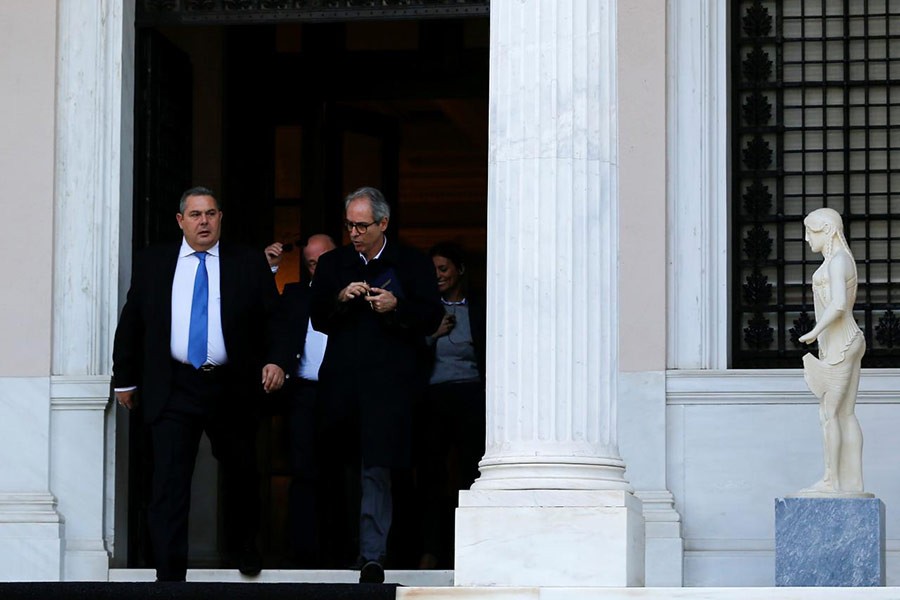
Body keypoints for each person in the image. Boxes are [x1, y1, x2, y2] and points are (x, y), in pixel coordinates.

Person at [112, 186, 290, 581]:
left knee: (242, 473)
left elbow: (274, 318)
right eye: (195, 215)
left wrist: (277, 360)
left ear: (221, 217)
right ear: (181, 221)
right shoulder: (155, 262)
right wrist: (124, 378)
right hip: (174, 384)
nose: (204, 221)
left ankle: (246, 547)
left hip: (231, 385)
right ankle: (170, 574)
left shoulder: (246, 261)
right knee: (169, 483)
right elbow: (133, 321)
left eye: (210, 213)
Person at [309, 186, 443, 583]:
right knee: (337, 468)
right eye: (349, 224)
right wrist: (340, 296)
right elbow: (317, 318)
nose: (354, 232)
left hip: (390, 388)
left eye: (362, 225)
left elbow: (431, 317)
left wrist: (395, 305)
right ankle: (329, 552)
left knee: (379, 468)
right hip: (341, 386)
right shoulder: (333, 264)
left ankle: (373, 555)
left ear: (383, 223)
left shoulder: (412, 262)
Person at [273, 233, 344, 567]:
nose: (318, 267)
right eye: (311, 262)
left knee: (342, 471)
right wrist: (270, 269)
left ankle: (341, 553)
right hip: (303, 394)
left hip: (343, 394)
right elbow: (263, 316)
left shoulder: (355, 293)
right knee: (303, 473)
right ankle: (301, 555)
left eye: (323, 259)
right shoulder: (296, 294)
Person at [417, 242, 486, 569]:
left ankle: (472, 549)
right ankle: (430, 549)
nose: (438, 276)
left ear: (459, 270)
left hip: (472, 396)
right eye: (433, 271)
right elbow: (409, 350)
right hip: (434, 398)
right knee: (432, 475)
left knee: (471, 472)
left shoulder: (480, 308)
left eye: (443, 269)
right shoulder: (426, 308)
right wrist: (432, 333)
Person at [797, 207, 868, 496]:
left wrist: (814, 331)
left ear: (826, 229)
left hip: (840, 344)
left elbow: (839, 304)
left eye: (809, 231)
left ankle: (832, 480)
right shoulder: (841, 260)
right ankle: (852, 483)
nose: (805, 239)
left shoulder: (838, 261)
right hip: (848, 341)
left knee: (829, 414)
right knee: (846, 414)